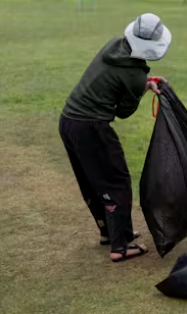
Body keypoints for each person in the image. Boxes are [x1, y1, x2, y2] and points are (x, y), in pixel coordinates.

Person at [59, 13, 171, 263]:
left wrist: (145, 82)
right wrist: (143, 86)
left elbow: (120, 76)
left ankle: (110, 232)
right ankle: (121, 246)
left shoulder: (113, 45)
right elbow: (123, 111)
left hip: (68, 120)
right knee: (115, 181)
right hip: (91, 127)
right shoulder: (134, 77)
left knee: (91, 181)